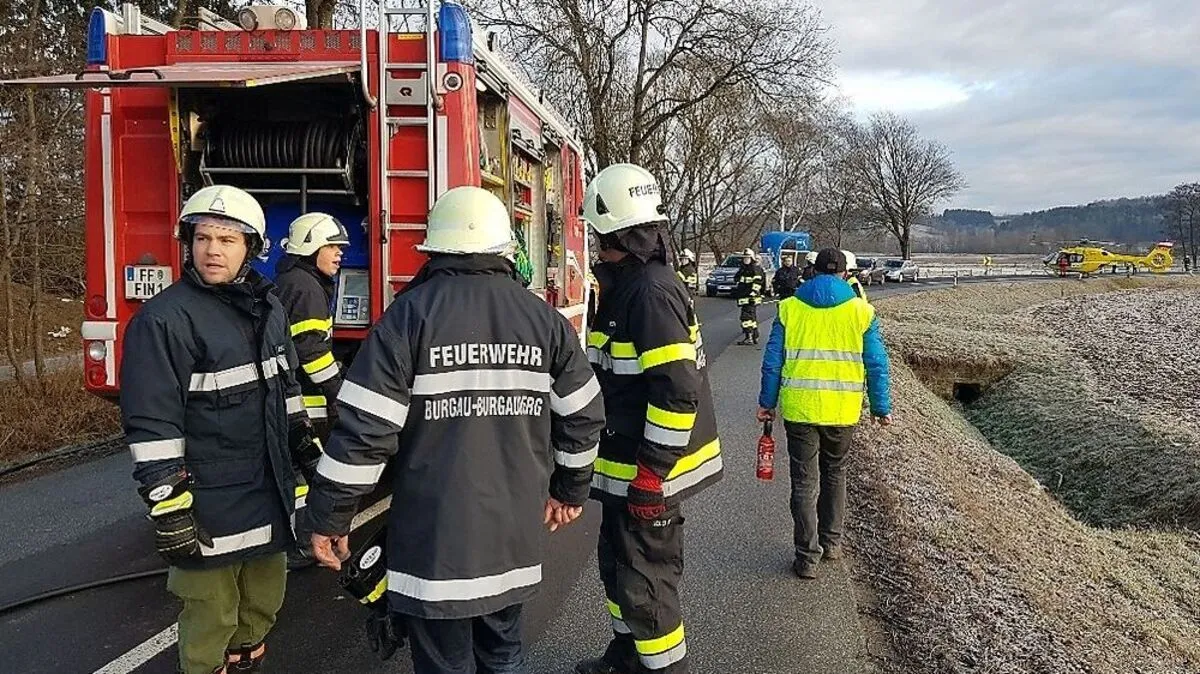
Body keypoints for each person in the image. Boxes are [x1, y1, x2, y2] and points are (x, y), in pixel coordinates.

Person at [305, 186, 605, 674]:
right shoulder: (544, 322)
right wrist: (569, 490)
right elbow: (585, 414)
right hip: (511, 539)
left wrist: (331, 516)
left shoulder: (407, 318)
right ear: (505, 250)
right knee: (502, 655)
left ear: (434, 250)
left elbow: (363, 434)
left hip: (433, 544)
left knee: (445, 663)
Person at [120, 185, 316, 674]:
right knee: (211, 614)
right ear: (188, 242)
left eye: (228, 240)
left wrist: (303, 441)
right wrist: (168, 507)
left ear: (251, 248)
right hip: (207, 500)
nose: (212, 249)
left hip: (268, 488)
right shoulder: (164, 321)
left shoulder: (269, 309)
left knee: (262, 604)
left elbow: (286, 384)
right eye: (203, 237)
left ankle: (247, 661)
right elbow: (152, 425)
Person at [576, 163, 722, 674]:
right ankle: (626, 656)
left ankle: (661, 667)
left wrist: (651, 473)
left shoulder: (649, 293)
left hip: (648, 470)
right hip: (626, 462)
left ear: (613, 231)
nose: (595, 247)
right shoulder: (627, 286)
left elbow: (677, 391)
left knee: (647, 583)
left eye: (598, 236)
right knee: (617, 568)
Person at [756, 248, 892, 581]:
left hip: (800, 410)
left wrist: (767, 402)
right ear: (846, 275)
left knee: (804, 482)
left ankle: (806, 558)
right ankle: (831, 544)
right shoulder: (862, 312)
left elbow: (773, 361)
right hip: (842, 412)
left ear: (813, 272)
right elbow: (876, 364)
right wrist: (880, 407)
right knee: (835, 474)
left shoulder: (789, 309)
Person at [273, 211, 351, 569]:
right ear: (310, 247)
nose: (339, 254)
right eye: (332, 246)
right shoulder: (305, 289)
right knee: (308, 469)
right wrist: (338, 390)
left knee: (300, 468)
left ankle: (299, 540)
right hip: (304, 397)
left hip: (295, 393)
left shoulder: (297, 281)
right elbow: (311, 349)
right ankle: (302, 543)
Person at [733, 248, 766, 345]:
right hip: (744, 296)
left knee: (746, 317)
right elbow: (736, 278)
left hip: (751, 297)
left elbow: (758, 281)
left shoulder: (755, 268)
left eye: (747, 258)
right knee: (751, 317)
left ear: (752, 258)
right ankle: (754, 335)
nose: (745, 259)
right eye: (744, 258)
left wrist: (754, 291)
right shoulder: (743, 268)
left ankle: (749, 337)